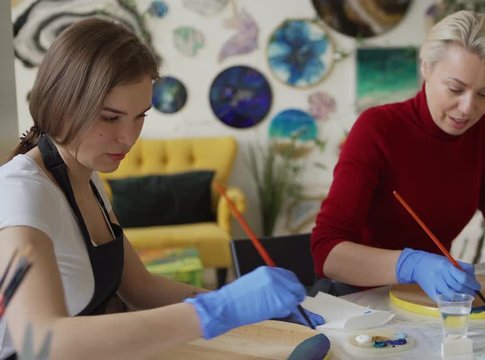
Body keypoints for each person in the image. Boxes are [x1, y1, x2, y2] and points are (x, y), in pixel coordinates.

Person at [0, 18, 321, 360]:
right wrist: (218, 311)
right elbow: (38, 340)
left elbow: (141, 288)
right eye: (110, 118)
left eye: (140, 116)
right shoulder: (21, 191)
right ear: (61, 104)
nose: (129, 137)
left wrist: (247, 308)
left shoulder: (89, 178)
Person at [311, 11, 485, 300]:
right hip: (359, 302)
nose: (467, 108)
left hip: (430, 300)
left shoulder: (482, 133)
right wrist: (411, 264)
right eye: (455, 89)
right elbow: (327, 253)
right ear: (426, 68)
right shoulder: (377, 129)